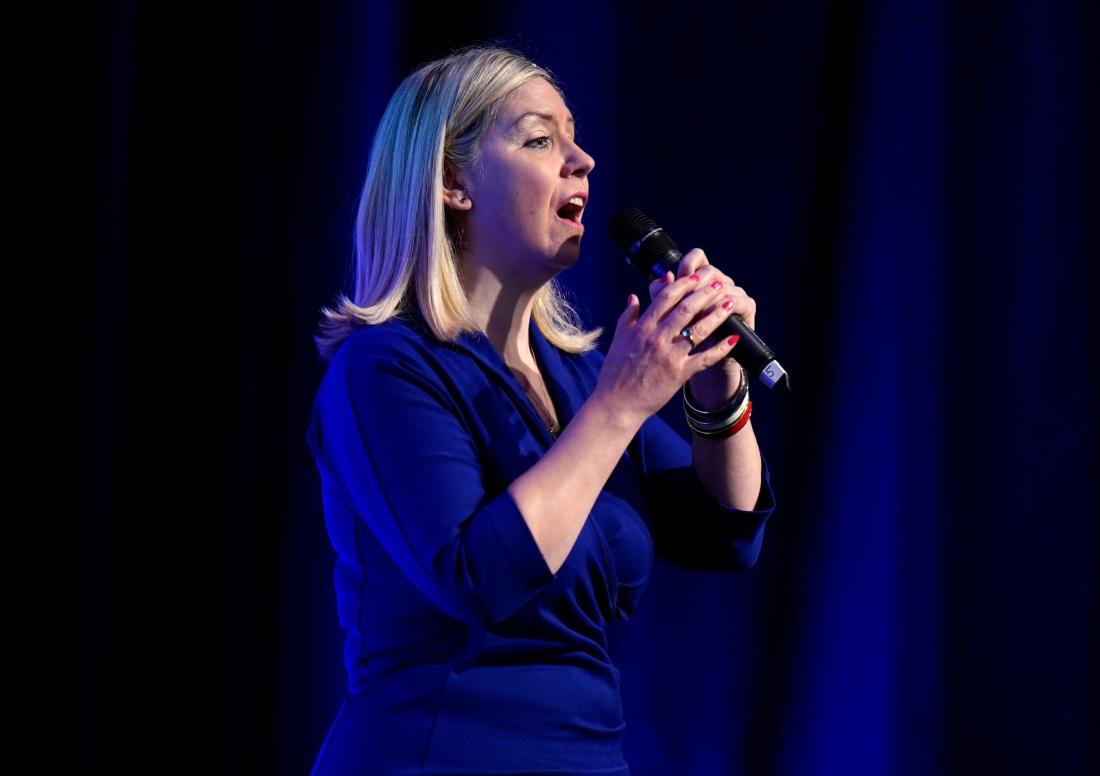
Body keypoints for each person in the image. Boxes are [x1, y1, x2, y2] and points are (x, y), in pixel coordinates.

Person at [305, 44, 777, 775]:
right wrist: (620, 405)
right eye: (538, 139)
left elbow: (724, 531)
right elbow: (476, 576)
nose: (581, 159)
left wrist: (717, 386)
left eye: (574, 135)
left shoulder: (579, 377)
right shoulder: (385, 368)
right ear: (453, 181)